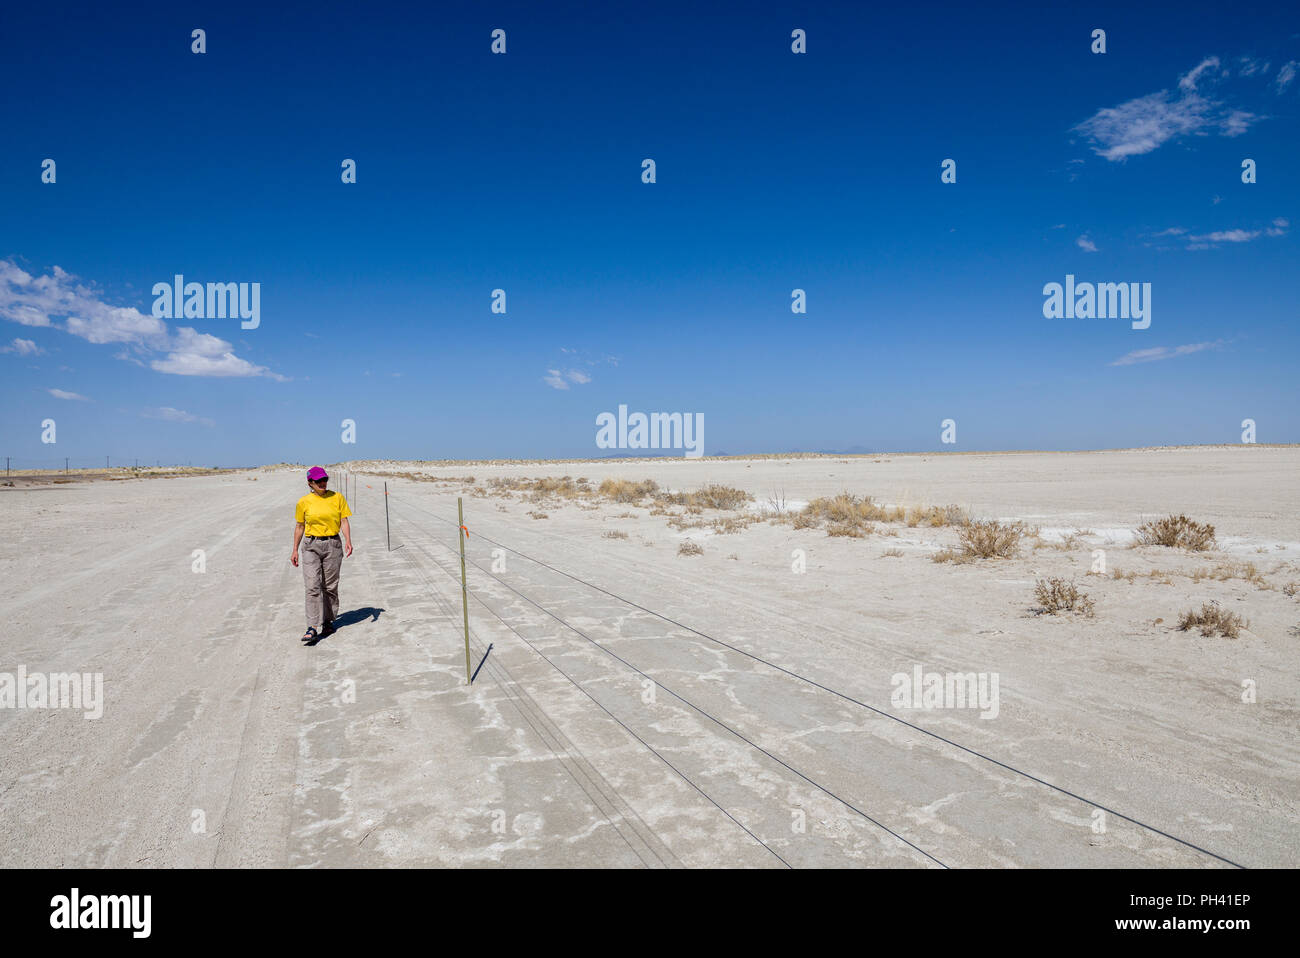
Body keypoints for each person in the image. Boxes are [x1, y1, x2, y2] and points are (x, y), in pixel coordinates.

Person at [290, 466, 353, 642]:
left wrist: (348, 540)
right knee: (312, 586)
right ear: (310, 483)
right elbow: (300, 526)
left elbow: (344, 520)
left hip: (333, 544)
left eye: (324, 479)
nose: (322, 483)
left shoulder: (337, 497)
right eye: (318, 481)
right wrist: (295, 549)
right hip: (311, 545)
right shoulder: (303, 502)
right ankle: (312, 626)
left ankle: (328, 621)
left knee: (330, 586)